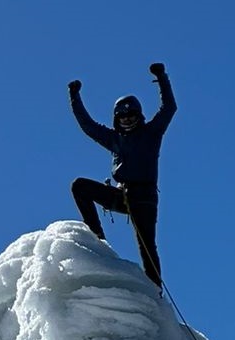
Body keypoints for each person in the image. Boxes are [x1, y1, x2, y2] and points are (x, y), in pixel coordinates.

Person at [69, 63, 176, 288]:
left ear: (139, 116)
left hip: (144, 197)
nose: (127, 119)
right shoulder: (114, 139)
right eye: (122, 116)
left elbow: (169, 108)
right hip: (122, 193)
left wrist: (161, 77)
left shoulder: (151, 133)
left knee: (146, 243)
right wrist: (75, 96)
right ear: (116, 119)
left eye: (131, 115)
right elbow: (88, 126)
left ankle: (155, 289)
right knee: (80, 186)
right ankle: (98, 238)